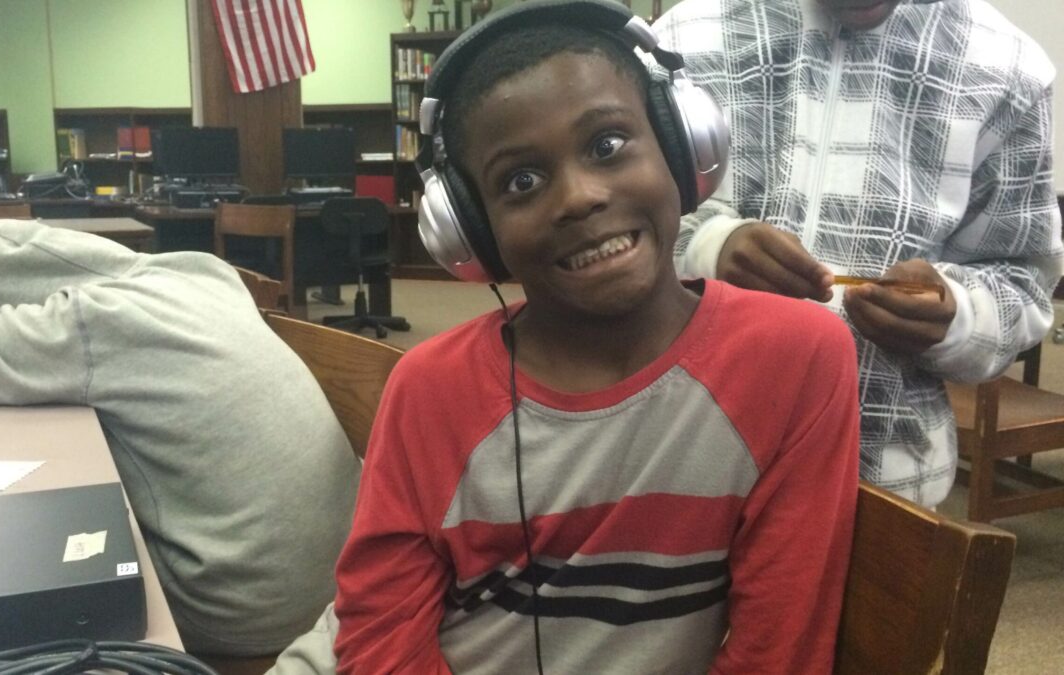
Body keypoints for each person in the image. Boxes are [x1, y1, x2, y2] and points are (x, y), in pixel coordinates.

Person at [320, 1, 860, 672]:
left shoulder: (796, 358)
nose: (578, 197)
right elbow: (380, 638)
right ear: (473, 234)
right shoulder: (429, 390)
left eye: (606, 144)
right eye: (522, 180)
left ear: (680, 144)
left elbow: (777, 649)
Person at [0, 219, 362, 657]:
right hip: (338, 578)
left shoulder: (88, 322)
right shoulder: (200, 274)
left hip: (242, 610)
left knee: (3, 574)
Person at [653, 0, 1064, 508]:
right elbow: (600, 238)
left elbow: (1023, 282)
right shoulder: (681, 44)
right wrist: (707, 250)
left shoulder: (1008, 70)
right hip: (677, 472)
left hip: (880, 496)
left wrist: (957, 315)